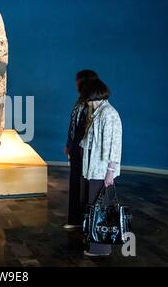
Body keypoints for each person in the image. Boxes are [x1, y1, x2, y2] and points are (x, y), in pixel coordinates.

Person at [80, 79, 122, 257]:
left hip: (102, 171)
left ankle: (101, 248)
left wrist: (110, 172)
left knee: (101, 209)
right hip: (94, 169)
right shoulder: (100, 112)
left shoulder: (109, 114)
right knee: (94, 207)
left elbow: (114, 144)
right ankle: (94, 241)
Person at [63, 70, 98, 229]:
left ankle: (86, 221)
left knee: (86, 185)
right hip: (76, 147)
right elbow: (73, 126)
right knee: (75, 182)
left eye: (77, 80)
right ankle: (74, 219)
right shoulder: (79, 101)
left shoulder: (93, 102)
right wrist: (69, 144)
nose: (75, 83)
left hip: (87, 149)